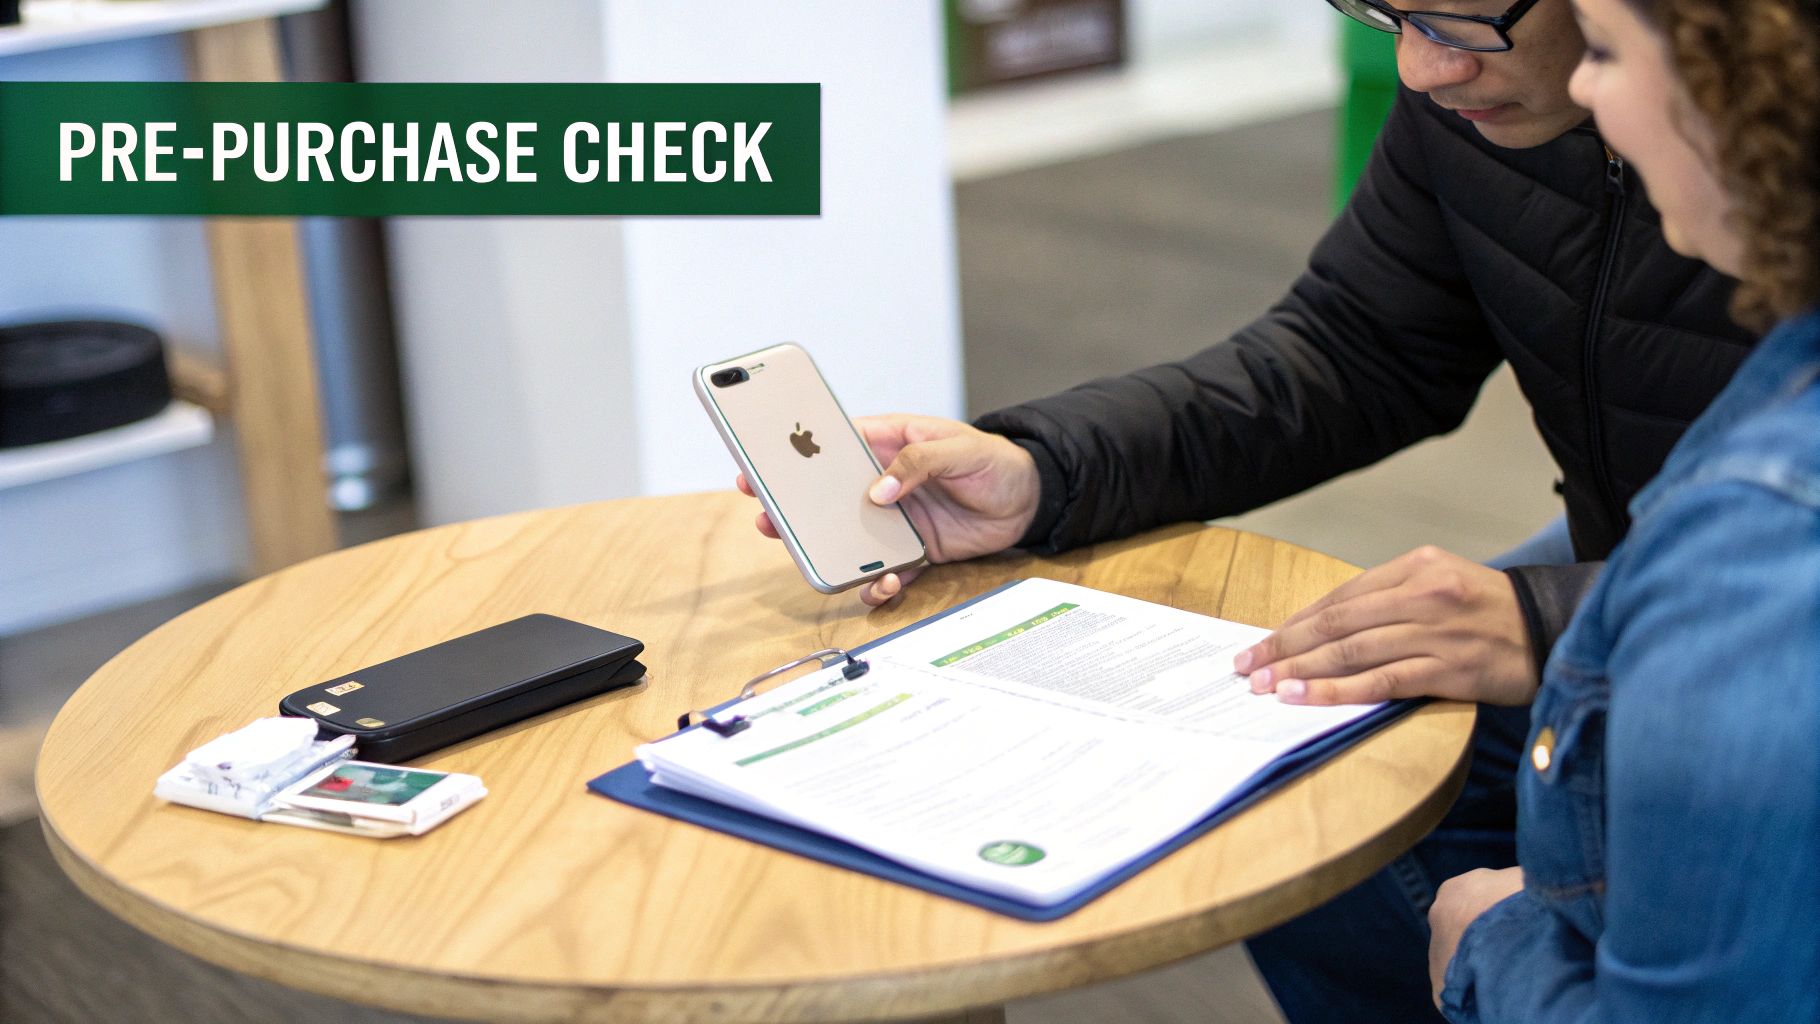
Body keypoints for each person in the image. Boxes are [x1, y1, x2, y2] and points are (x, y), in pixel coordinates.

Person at [739, 0, 1753, 1019]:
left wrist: (1562, 622)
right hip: (1654, 563)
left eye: (1454, 21)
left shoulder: (1759, 160)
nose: (1417, 70)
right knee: (1300, 793)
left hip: (1736, 605)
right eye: (1383, 12)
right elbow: (1357, 345)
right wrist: (1043, 469)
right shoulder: (1478, 93)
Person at [1414, 0, 1820, 1016]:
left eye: (1603, 49)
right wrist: (1059, 459)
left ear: (1754, 85)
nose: (1587, 89)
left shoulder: (1760, 541)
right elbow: (1357, 339)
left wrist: (1492, 946)